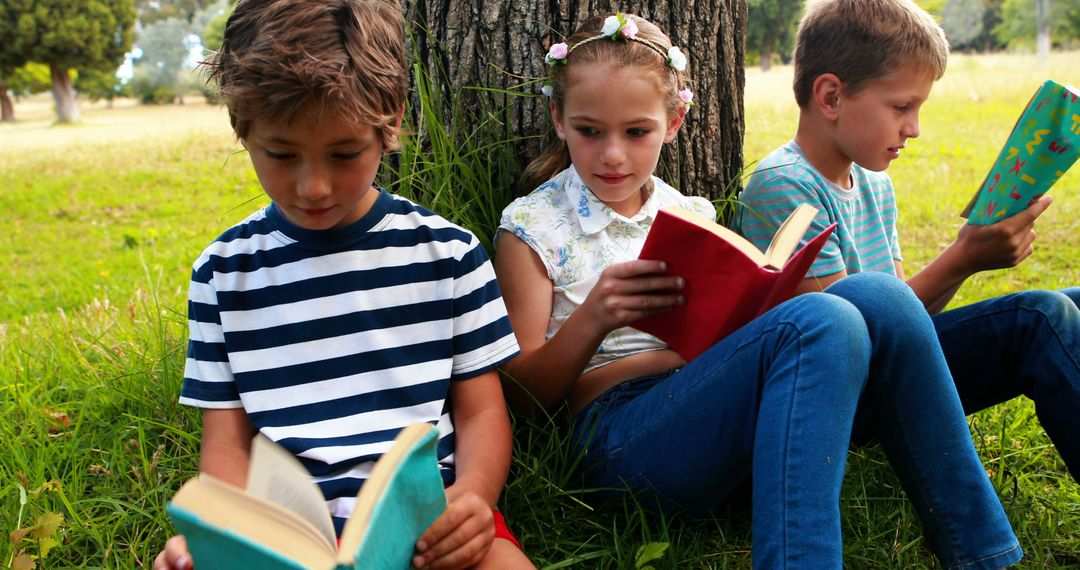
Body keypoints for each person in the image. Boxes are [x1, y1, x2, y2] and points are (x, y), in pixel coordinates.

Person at [495, 12, 1023, 569]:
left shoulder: (688, 214)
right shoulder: (534, 227)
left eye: (636, 132)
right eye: (589, 130)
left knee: (874, 297)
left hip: (712, 405)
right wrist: (594, 318)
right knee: (824, 317)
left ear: (673, 123)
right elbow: (523, 399)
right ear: (559, 118)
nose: (612, 155)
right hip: (620, 436)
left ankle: (983, 554)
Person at [152, 1, 534, 569]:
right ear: (242, 126)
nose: (313, 186)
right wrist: (222, 533)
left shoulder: (448, 254)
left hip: (427, 528)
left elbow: (480, 412)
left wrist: (474, 498)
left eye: (344, 153)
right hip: (284, 540)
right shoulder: (224, 272)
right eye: (281, 154)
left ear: (390, 122)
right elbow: (228, 441)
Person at [738, 0, 1080, 483]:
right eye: (902, 107)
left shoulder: (874, 182)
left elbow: (911, 320)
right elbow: (848, 341)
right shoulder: (785, 186)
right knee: (1041, 317)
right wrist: (963, 257)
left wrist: (970, 255)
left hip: (894, 365)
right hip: (841, 396)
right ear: (831, 97)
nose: (914, 128)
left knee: (1074, 304)